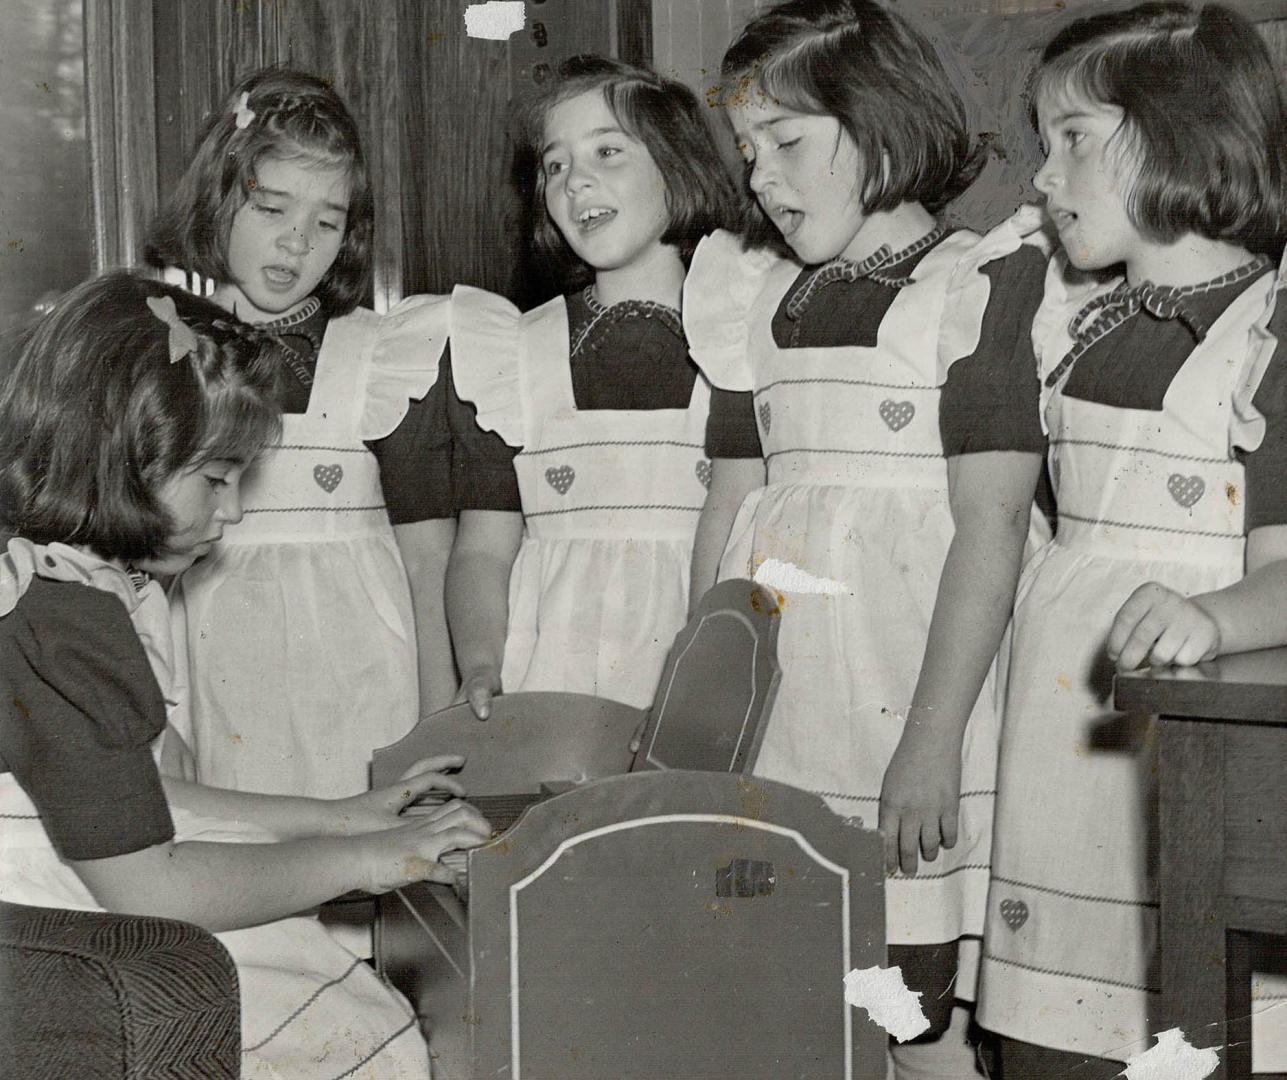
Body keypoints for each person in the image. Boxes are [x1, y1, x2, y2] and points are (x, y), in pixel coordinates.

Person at [684, 1, 1054, 1074]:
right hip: (784, 716)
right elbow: (728, 512)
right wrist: (694, 697)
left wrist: (930, 742)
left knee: (914, 1020)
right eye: (748, 153)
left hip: (909, 708)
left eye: (789, 143)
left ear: (885, 124)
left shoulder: (976, 288)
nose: (760, 178)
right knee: (802, 1007)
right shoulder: (753, 301)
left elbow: (993, 533)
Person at [0, 272, 491, 1079]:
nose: (231, 514)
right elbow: (152, 890)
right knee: (360, 1031)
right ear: (123, 461)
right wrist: (381, 860)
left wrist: (344, 818)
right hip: (61, 947)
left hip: (77, 896)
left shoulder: (74, 582)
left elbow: (137, 798)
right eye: (216, 480)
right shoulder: (63, 619)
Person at [974, 5, 1287, 1076]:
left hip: (1186, 757)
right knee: (1044, 1039)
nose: (1041, 176)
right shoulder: (1074, 318)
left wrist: (1213, 616)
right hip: (1056, 755)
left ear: (1183, 133)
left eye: (1072, 139)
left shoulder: (1267, 333)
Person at [145, 67, 456, 798]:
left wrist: (441, 728)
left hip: (360, 677)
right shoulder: (162, 342)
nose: (296, 244)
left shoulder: (380, 355)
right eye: (272, 209)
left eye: (327, 221)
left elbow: (427, 563)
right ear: (219, 200)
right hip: (208, 671)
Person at [446, 55, 742, 715]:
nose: (575, 182)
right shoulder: (513, 352)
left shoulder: (742, 330)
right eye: (554, 166)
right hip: (553, 684)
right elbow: (483, 550)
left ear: (677, 165)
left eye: (606, 151)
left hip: (704, 686)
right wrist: (480, 664)